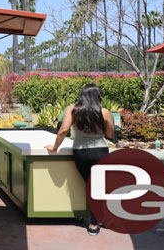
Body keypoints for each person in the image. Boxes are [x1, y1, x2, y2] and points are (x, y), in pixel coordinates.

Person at [45, 84, 114, 236]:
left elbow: (63, 130)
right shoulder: (105, 112)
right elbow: (110, 134)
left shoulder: (73, 109)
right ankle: (96, 222)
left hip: (81, 152)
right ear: (98, 96)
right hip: (101, 152)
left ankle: (97, 219)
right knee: (96, 187)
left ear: (82, 95)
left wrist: (55, 147)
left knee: (91, 186)